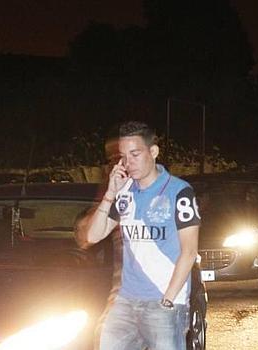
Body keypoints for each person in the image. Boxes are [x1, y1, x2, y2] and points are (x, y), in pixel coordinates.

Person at [79, 121, 200, 350]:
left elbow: (189, 251)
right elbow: (93, 236)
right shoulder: (125, 193)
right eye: (123, 157)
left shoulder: (179, 191)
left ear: (153, 152)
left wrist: (168, 301)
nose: (128, 162)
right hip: (126, 302)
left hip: (163, 302)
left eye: (135, 154)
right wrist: (110, 193)